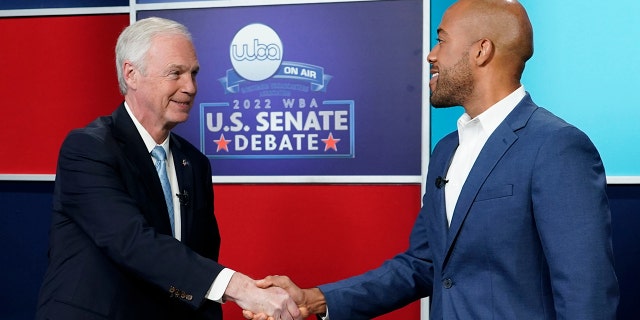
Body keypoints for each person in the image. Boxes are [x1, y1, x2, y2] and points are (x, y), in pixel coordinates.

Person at [245, 0, 620, 319]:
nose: (431, 54)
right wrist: (314, 299)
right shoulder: (446, 150)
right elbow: (424, 265)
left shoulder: (557, 147)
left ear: (481, 51)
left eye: (441, 40)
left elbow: (587, 293)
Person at [36, 17, 301, 320]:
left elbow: (197, 266)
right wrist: (242, 289)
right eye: (175, 73)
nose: (190, 87)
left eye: (194, 74)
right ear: (132, 74)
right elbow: (133, 241)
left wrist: (250, 301)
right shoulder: (88, 149)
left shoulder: (195, 163)